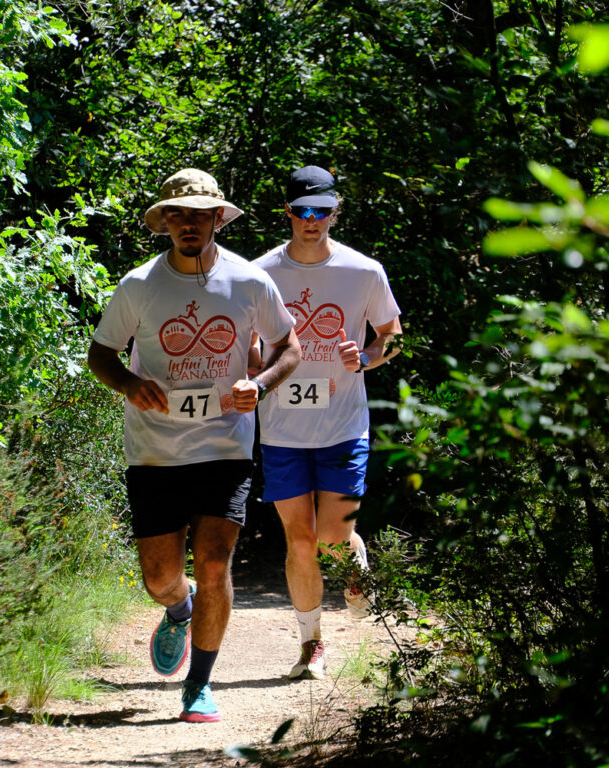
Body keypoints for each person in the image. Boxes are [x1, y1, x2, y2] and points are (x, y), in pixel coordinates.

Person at [88, 168, 300, 722]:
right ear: (165, 223)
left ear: (216, 220)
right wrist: (132, 385)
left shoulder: (250, 281)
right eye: (177, 214)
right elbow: (101, 355)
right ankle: (178, 611)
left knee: (212, 563)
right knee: (160, 577)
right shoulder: (139, 285)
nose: (188, 223)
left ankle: (199, 686)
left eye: (199, 214)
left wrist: (259, 384)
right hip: (155, 452)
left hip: (225, 447)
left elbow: (290, 348)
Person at [250, 165, 402, 680]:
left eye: (322, 211)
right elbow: (247, 345)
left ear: (336, 212)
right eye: (301, 211)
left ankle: (353, 556)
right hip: (282, 430)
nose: (311, 220)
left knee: (331, 539)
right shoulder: (259, 273)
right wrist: (256, 367)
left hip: (343, 425)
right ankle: (310, 643)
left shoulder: (364, 271)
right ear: (287, 213)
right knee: (298, 540)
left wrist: (365, 358)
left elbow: (393, 338)